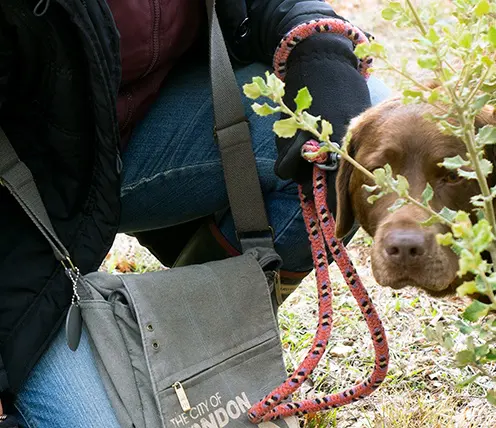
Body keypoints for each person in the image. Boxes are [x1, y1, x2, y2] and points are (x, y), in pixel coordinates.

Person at [0, 0, 390, 426]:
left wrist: (321, 54)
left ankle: (195, 340)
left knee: (358, 128)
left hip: (133, 134)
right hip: (17, 213)